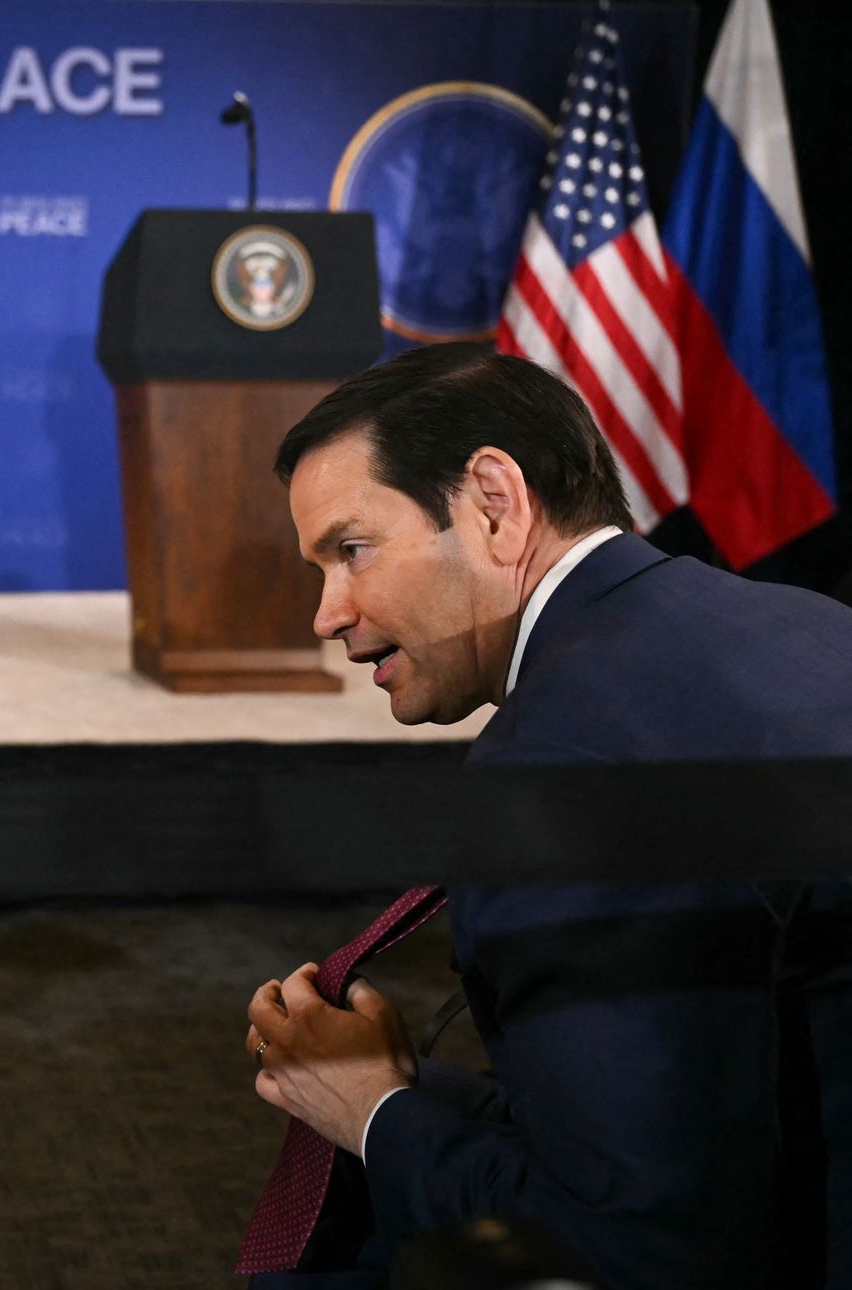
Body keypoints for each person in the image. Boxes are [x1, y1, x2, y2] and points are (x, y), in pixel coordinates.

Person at [242, 341, 852, 1288]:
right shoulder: (810, 626)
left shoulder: (560, 769)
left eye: (352, 551)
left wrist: (371, 1113)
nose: (328, 613)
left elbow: (633, 1249)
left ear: (495, 503)